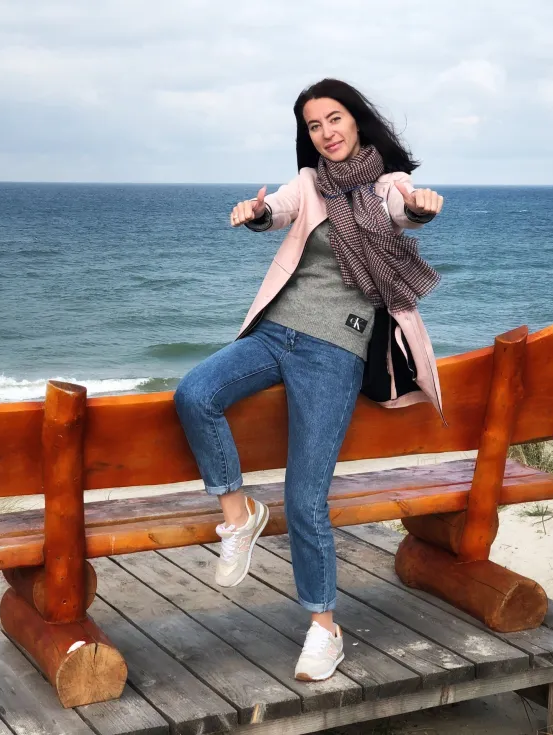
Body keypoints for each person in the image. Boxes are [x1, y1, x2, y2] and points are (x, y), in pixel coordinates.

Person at [174, 78, 444, 682]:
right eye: (314, 125)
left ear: (357, 120)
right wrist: (256, 213)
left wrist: (422, 207)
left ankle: (325, 629)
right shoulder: (308, 184)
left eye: (334, 118)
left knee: (304, 498)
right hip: (275, 334)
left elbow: (405, 209)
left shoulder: (388, 186)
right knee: (195, 393)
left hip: (334, 353)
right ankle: (238, 513)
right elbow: (280, 211)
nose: (326, 132)